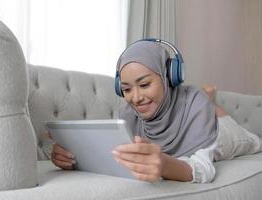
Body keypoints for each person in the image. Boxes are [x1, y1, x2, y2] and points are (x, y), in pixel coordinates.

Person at [45, 40, 261, 183]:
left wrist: (166, 164)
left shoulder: (200, 111)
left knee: (254, 142)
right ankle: (209, 102)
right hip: (192, 111)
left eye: (145, 84)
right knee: (200, 103)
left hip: (223, 135)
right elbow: (113, 157)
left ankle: (209, 103)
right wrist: (72, 158)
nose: (136, 98)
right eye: (127, 89)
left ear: (169, 77)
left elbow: (205, 168)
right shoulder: (127, 114)